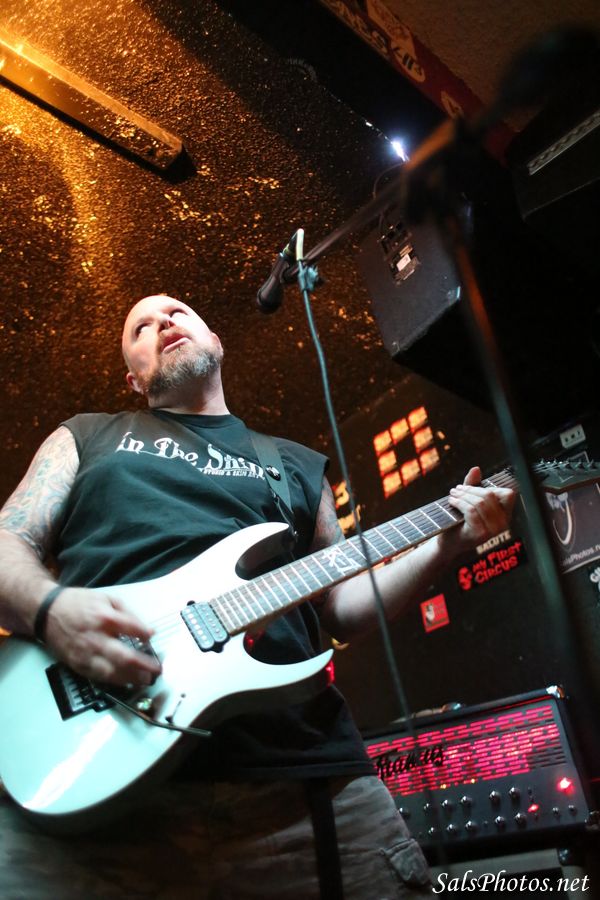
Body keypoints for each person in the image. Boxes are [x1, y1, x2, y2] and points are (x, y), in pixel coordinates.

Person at [0, 294, 515, 899]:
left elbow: (342, 608)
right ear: (133, 379)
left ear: (216, 340)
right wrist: (50, 610)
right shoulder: (88, 436)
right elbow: (9, 540)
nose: (163, 323)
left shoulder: (292, 465)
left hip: (306, 783)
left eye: (177, 312)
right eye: (140, 327)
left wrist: (444, 545)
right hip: (100, 776)